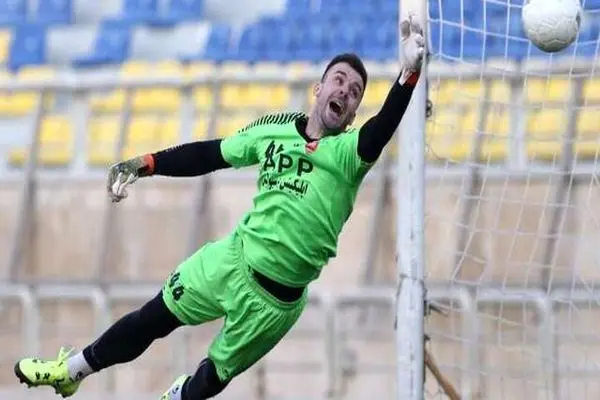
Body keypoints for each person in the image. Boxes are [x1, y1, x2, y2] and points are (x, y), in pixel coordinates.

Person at [14, 15, 425, 400]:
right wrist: (149, 163)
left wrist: (407, 75)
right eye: (338, 80)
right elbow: (210, 154)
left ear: (352, 115)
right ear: (318, 89)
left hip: (274, 305)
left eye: (355, 93)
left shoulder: (349, 155)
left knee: (207, 382)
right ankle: (71, 371)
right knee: (152, 319)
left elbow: (382, 127)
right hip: (231, 261)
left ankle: (178, 394)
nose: (345, 92)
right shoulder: (274, 131)